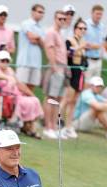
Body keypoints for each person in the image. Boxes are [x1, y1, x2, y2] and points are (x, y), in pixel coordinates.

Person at [0, 50, 43, 139]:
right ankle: (22, 126)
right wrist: (7, 77)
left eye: (7, 61)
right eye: (3, 60)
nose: (5, 63)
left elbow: (20, 84)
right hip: (3, 96)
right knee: (21, 101)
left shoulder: (10, 70)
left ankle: (30, 128)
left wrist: (32, 94)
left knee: (34, 100)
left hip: (15, 95)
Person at [72, 76, 107, 143]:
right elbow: (98, 107)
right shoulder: (86, 93)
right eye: (97, 86)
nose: (99, 88)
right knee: (98, 109)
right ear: (91, 86)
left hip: (87, 123)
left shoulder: (97, 96)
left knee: (105, 109)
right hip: (77, 124)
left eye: (100, 86)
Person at [41, 10, 67, 140]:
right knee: (50, 98)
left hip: (62, 68)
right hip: (55, 67)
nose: (62, 21)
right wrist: (54, 66)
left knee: (57, 99)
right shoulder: (51, 32)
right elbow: (49, 49)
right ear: (55, 19)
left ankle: (55, 127)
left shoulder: (60, 33)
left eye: (64, 19)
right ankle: (48, 127)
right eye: (59, 19)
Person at [62, 18, 88, 139]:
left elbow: (84, 59)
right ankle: (58, 124)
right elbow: (67, 54)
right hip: (71, 72)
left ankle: (68, 126)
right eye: (80, 28)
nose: (82, 30)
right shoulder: (70, 40)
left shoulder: (82, 41)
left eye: (84, 28)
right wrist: (79, 48)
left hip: (80, 73)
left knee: (73, 102)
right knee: (67, 100)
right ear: (75, 29)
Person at [16, 4, 45, 91]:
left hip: (36, 63)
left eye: (43, 13)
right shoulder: (26, 23)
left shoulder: (41, 28)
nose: (41, 14)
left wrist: (38, 38)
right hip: (24, 62)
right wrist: (39, 38)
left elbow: (43, 44)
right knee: (20, 88)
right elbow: (31, 37)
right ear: (33, 12)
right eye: (39, 12)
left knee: (31, 87)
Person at [84, 4, 105, 81]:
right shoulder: (85, 24)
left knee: (96, 84)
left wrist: (99, 48)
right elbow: (83, 43)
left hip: (99, 61)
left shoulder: (102, 26)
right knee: (86, 85)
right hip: (88, 60)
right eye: (97, 13)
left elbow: (102, 43)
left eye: (101, 14)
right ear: (92, 13)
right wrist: (96, 46)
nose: (99, 16)